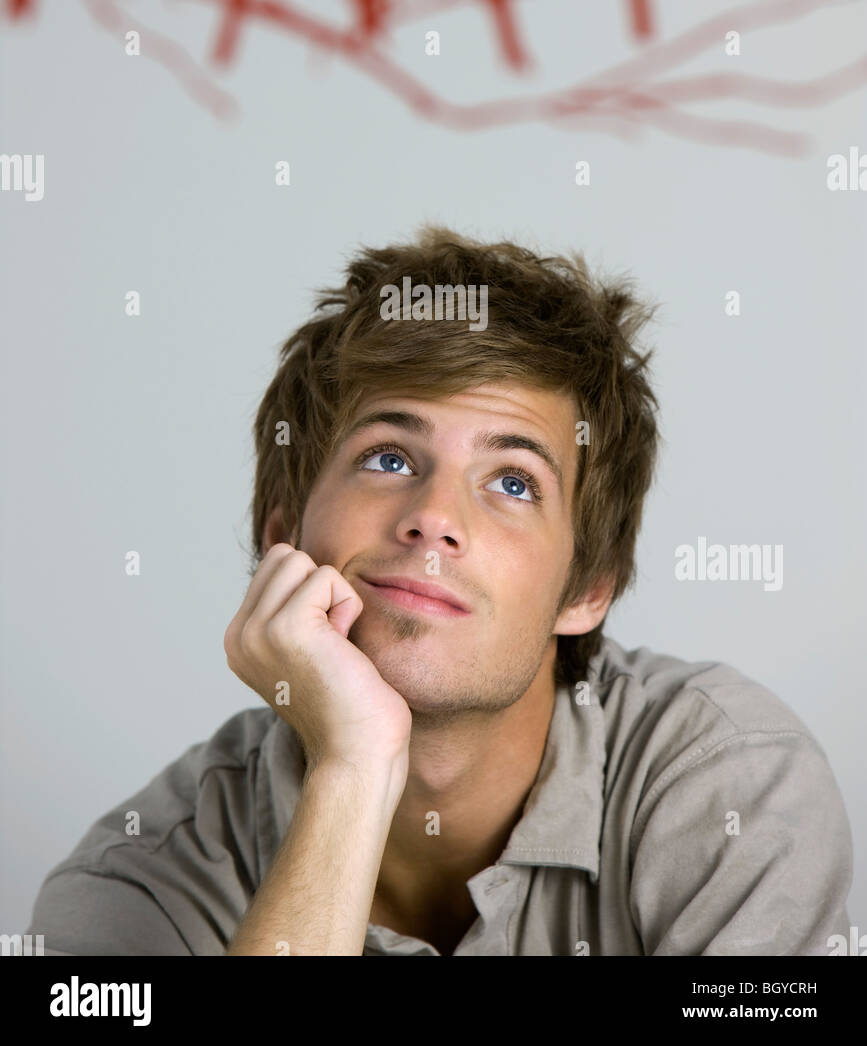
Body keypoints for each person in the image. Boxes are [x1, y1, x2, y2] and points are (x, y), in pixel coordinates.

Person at [27, 226, 853, 956]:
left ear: (587, 589)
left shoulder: (729, 779)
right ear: (283, 538)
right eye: (388, 458)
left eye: (513, 482)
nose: (433, 519)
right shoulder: (136, 886)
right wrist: (351, 773)